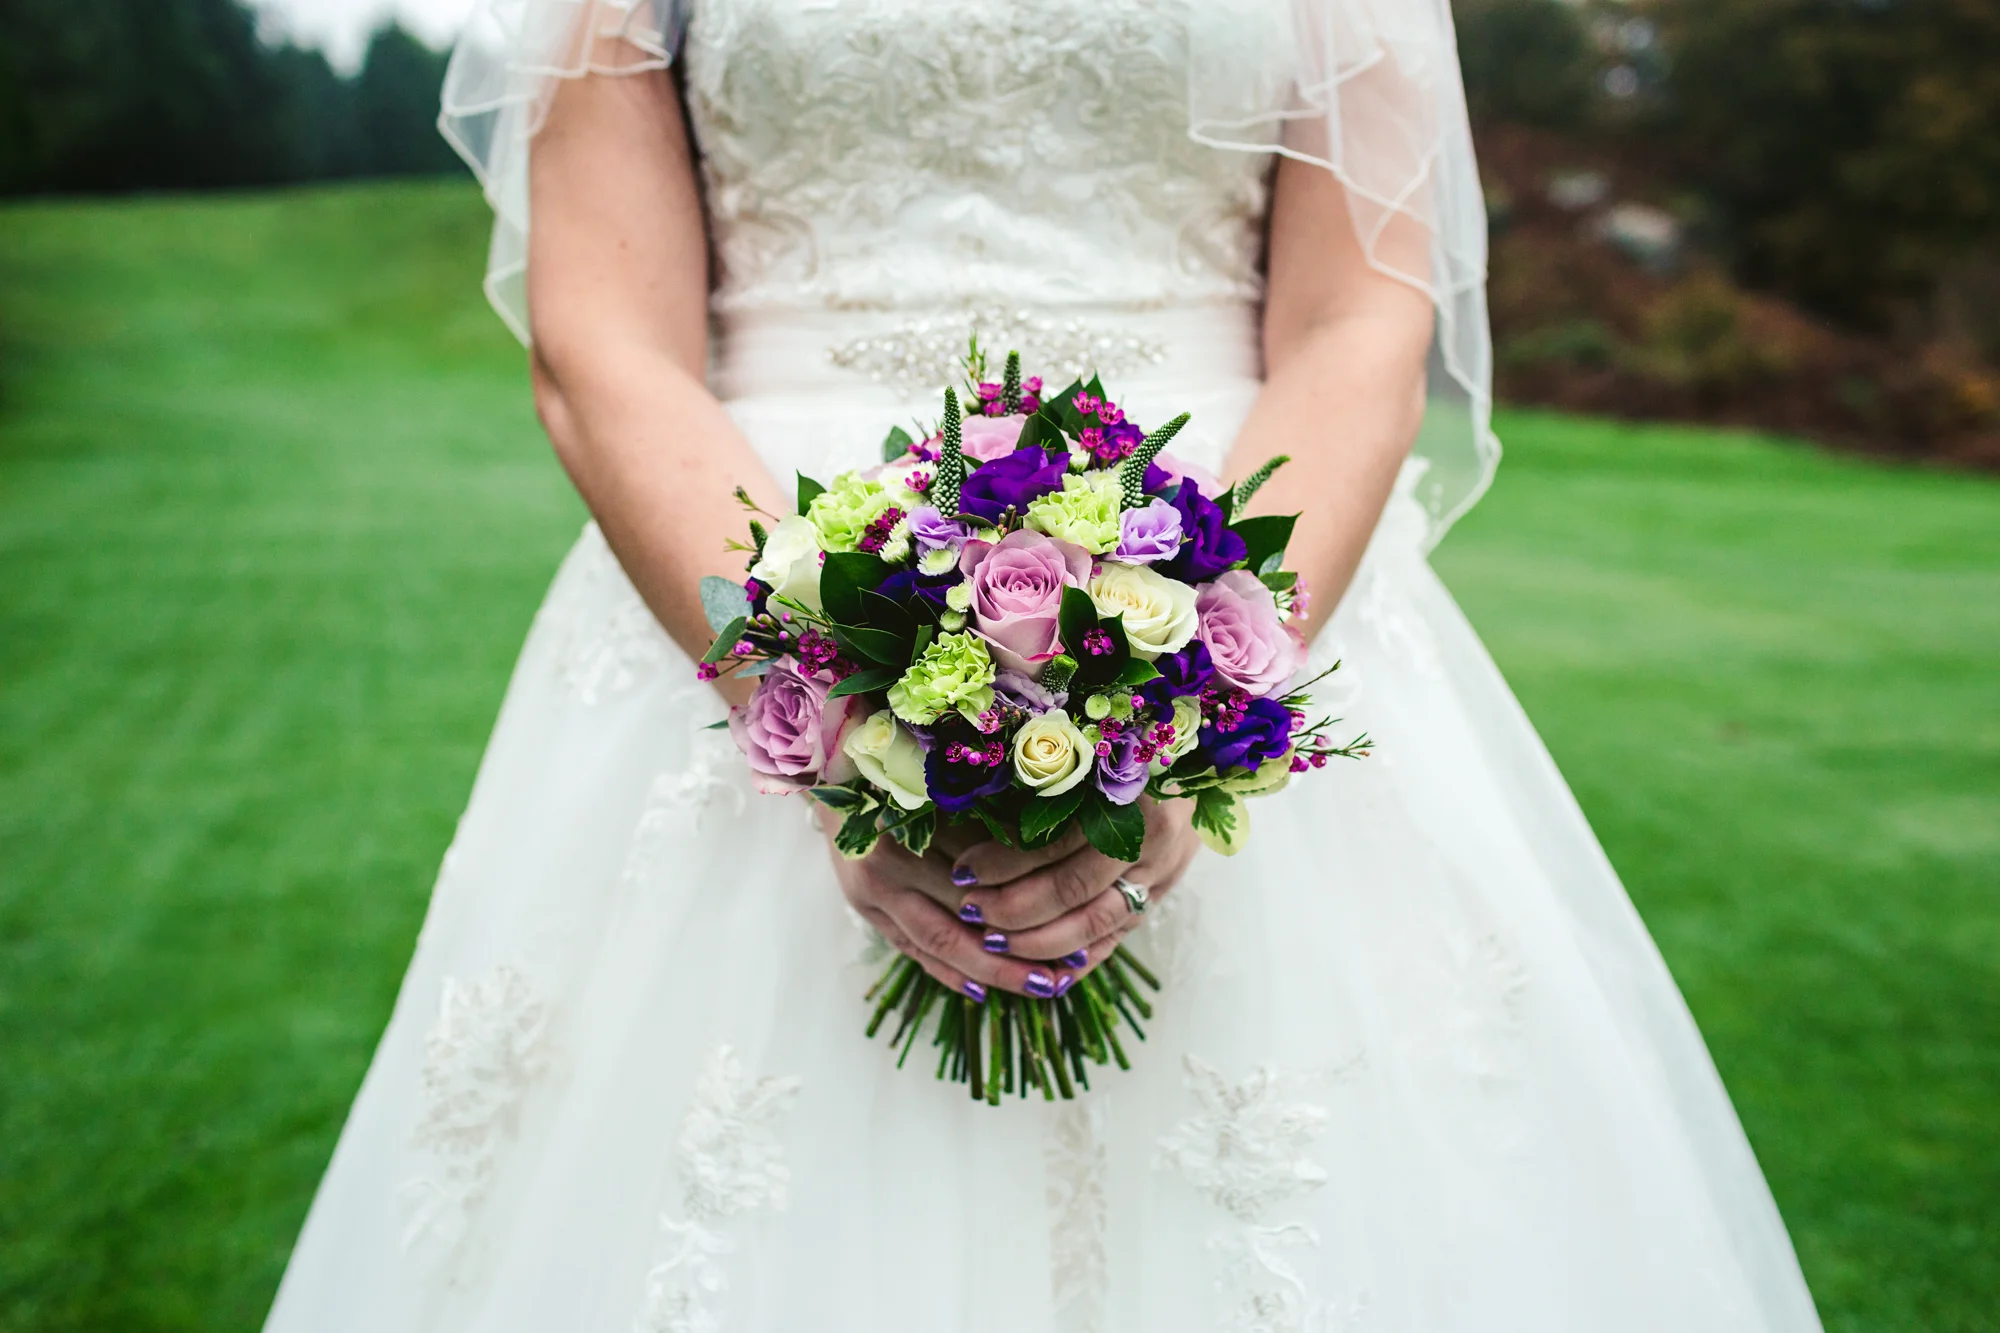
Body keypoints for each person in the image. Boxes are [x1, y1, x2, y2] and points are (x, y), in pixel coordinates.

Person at [264, 2, 1824, 1329]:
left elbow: (1360, 322)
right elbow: (603, 340)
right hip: (743, 561)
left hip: (1224, 542)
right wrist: (829, 717)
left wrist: (1196, 707)